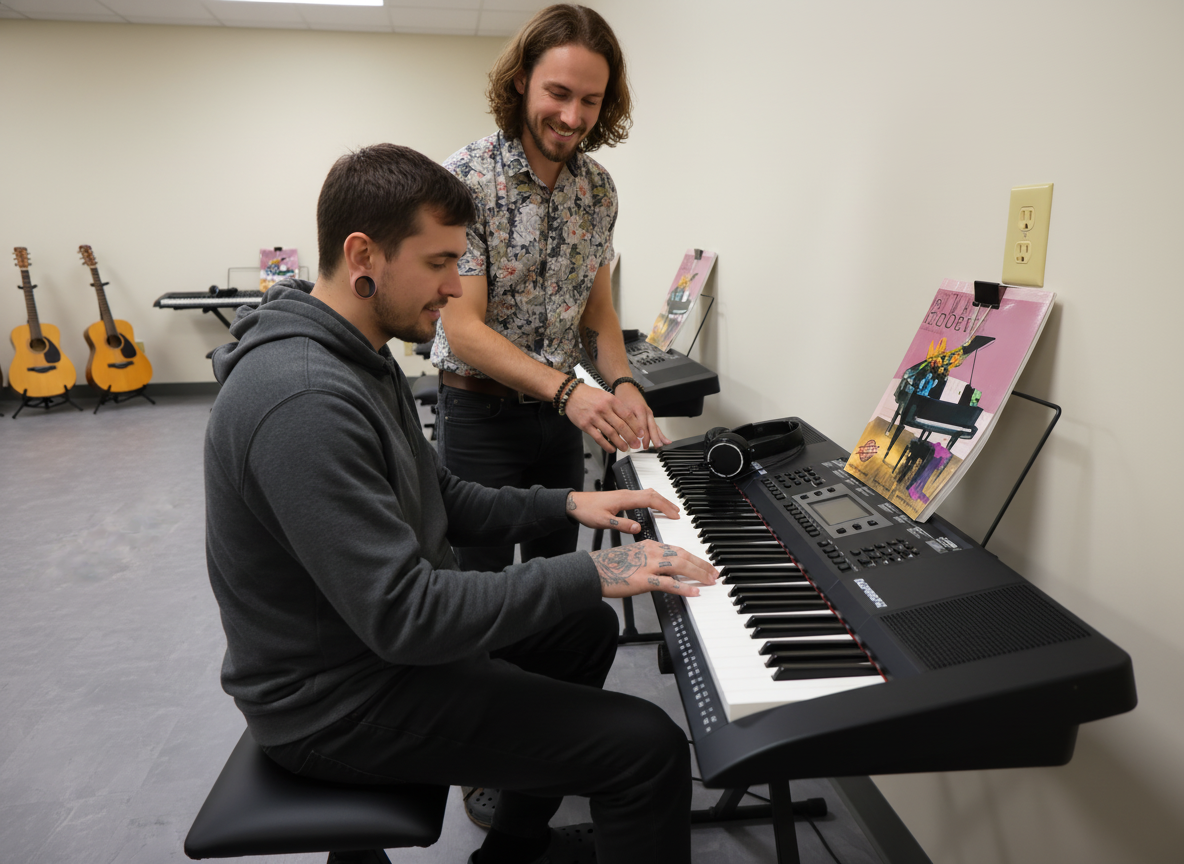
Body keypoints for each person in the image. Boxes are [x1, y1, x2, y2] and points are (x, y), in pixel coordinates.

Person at [203, 143, 716, 864]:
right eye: (441, 262)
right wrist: (600, 569)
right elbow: (407, 617)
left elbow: (435, 494)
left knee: (583, 633)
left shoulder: (357, 351)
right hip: (333, 703)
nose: (454, 288)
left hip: (365, 652)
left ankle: (510, 849)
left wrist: (567, 505)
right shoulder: (304, 400)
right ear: (364, 255)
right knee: (648, 749)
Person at [433, 4, 669, 578]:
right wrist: (571, 392)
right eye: (558, 93)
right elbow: (464, 329)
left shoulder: (599, 191)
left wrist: (622, 384)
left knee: (557, 585)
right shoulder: (465, 179)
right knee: (480, 590)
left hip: (560, 425)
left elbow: (598, 313)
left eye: (590, 100)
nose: (571, 115)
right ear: (521, 81)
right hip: (478, 417)